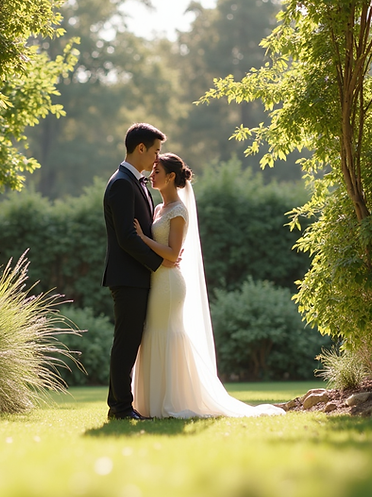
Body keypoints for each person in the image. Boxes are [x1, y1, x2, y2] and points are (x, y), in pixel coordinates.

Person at [131, 154, 285, 418]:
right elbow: (166, 255)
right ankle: (151, 402)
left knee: (167, 335)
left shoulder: (179, 211)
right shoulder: (158, 209)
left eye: (157, 171)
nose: (151, 175)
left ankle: (172, 401)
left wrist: (144, 239)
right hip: (156, 280)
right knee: (153, 334)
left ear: (170, 177)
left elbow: (172, 253)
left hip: (169, 285)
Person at [102, 123, 170, 421]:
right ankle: (120, 408)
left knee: (130, 341)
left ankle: (120, 404)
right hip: (128, 277)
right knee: (126, 342)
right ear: (140, 148)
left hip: (137, 277)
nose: (158, 158)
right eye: (156, 151)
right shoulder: (121, 184)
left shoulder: (135, 182)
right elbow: (126, 238)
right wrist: (159, 263)